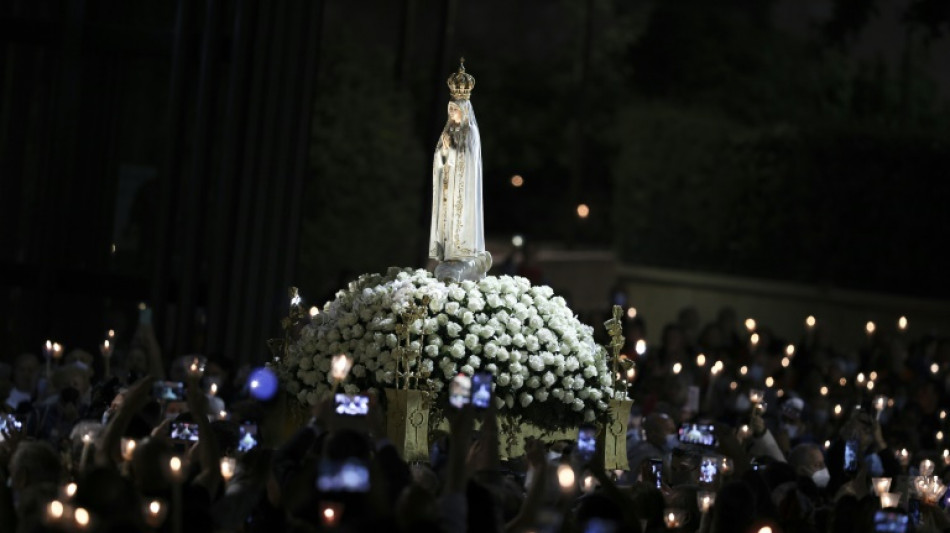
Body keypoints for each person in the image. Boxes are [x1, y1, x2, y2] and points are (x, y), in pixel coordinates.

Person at [429, 60, 491, 282]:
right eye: (451, 110)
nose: (453, 114)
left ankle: (463, 256)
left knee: (461, 220)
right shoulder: (449, 131)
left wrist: (452, 151)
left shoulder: (470, 132)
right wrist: (444, 151)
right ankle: (449, 255)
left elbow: (469, 159)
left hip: (463, 189)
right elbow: (440, 158)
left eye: (456, 111)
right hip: (450, 187)